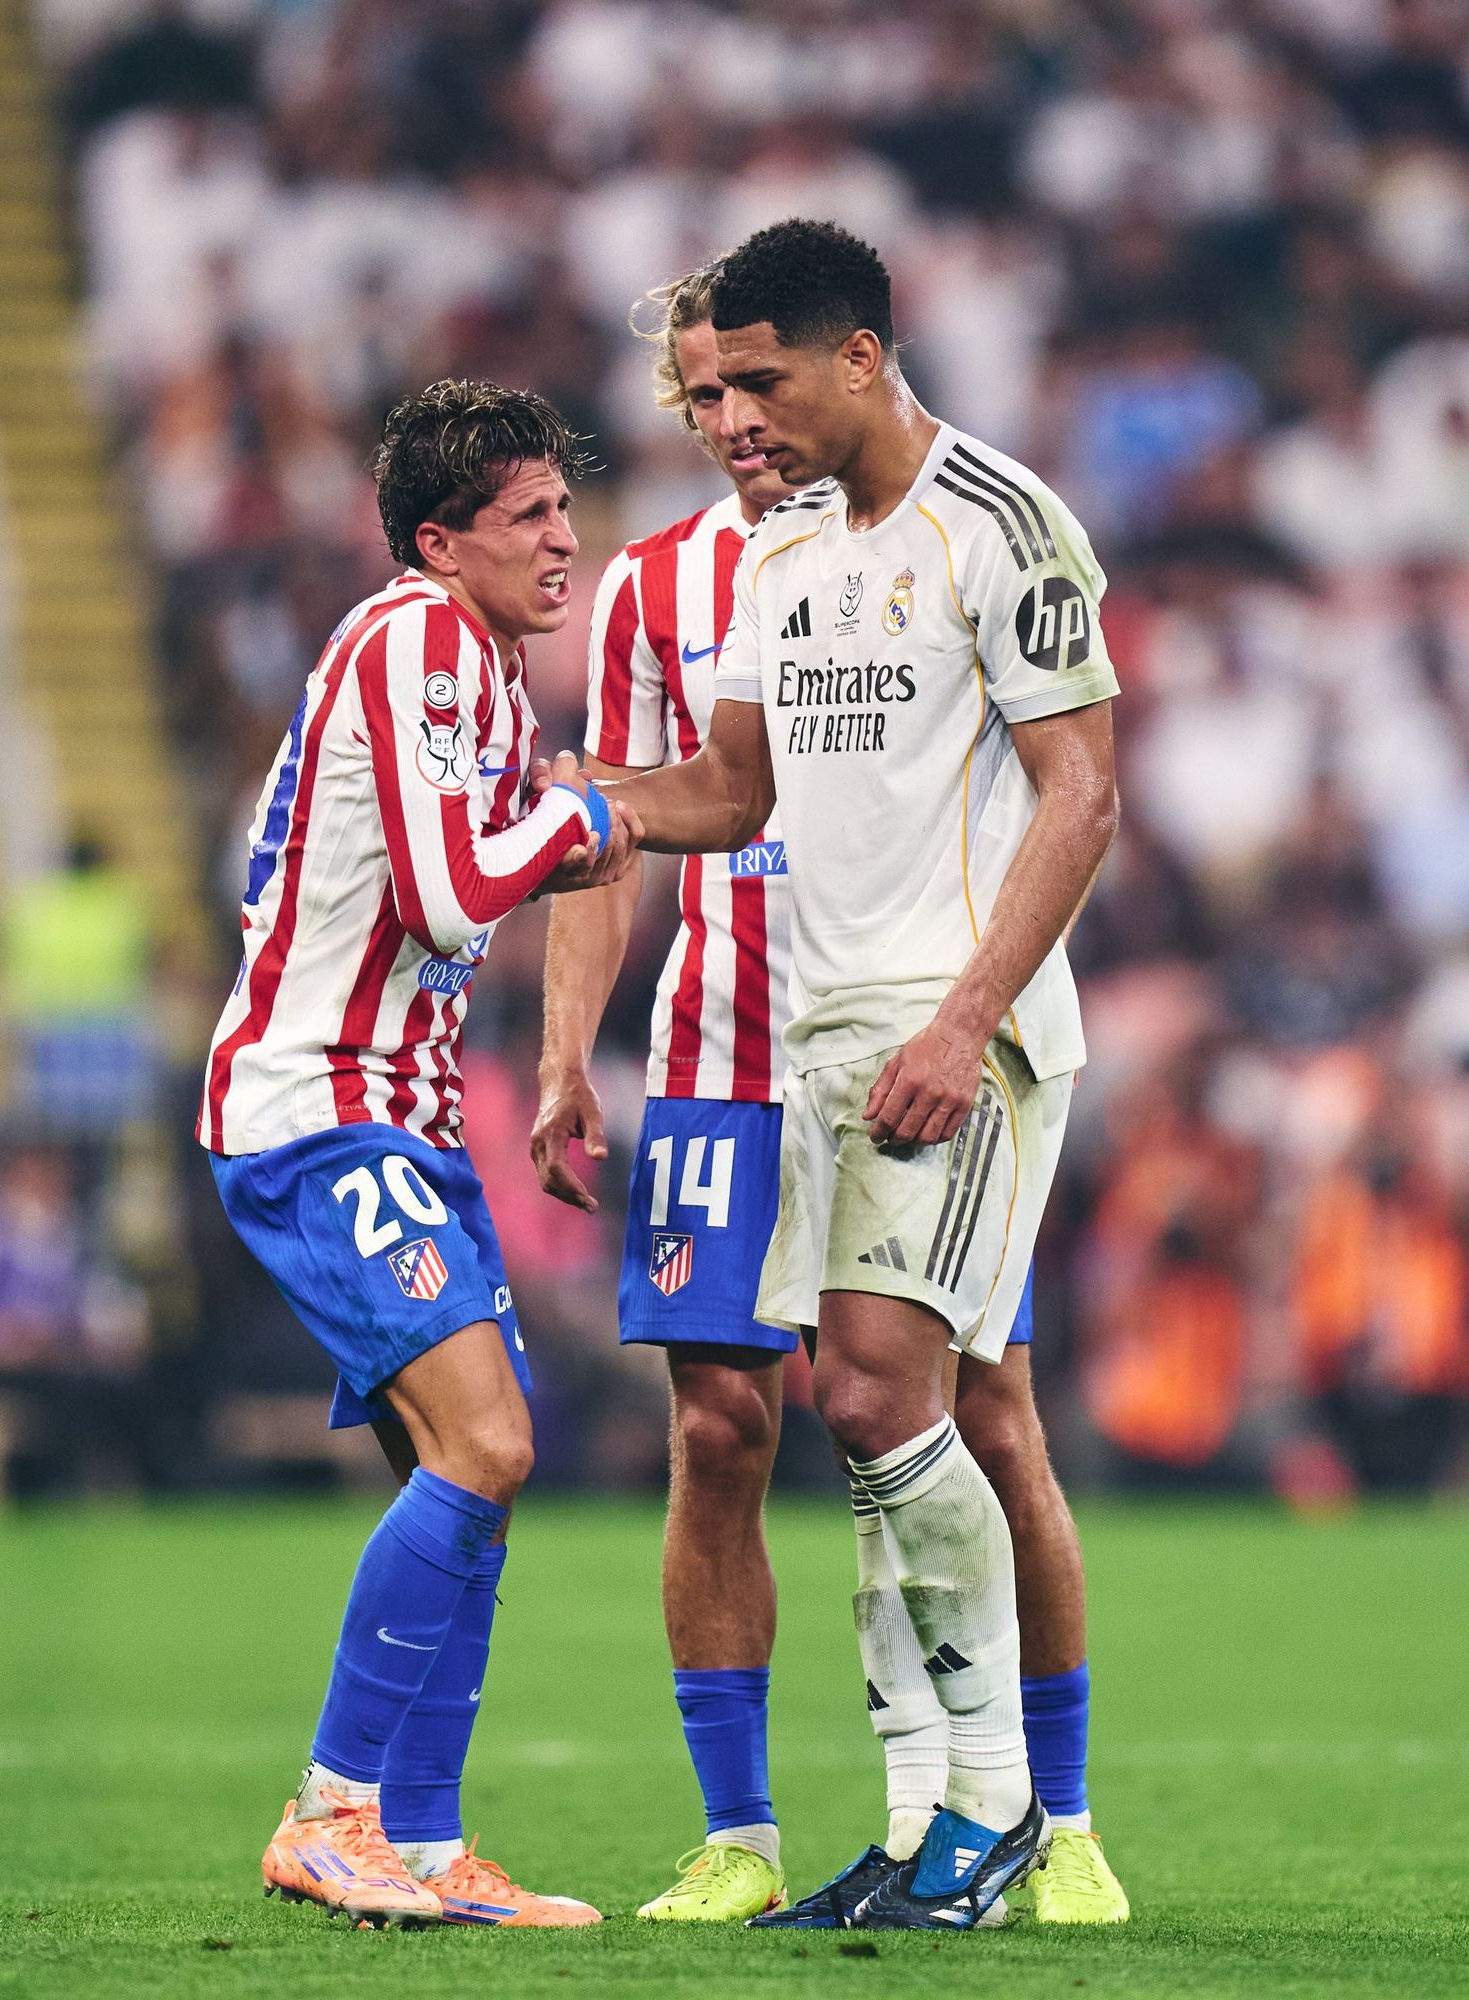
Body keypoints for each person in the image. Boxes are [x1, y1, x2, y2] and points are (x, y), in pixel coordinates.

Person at [535, 259, 1130, 1928]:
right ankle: (920, 1820)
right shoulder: (781, 548)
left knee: (884, 1406)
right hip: (812, 1046)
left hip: (963, 1037)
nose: (731, 422)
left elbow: (1081, 794)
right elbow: (732, 791)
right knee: (866, 1431)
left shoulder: (1004, 522)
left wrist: (965, 1019)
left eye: (760, 387)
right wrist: (576, 810)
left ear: (861, 358)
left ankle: (1010, 1813)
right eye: (709, 396)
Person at [199, 379, 636, 1930]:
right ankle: (330, 1812)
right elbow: (460, 893)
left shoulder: (483, 676)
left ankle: (432, 1846)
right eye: (529, 517)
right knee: (493, 1446)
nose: (564, 541)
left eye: (568, 510)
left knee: (474, 1469)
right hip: (320, 1105)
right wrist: (581, 823)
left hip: (404, 1116)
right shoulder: (418, 639)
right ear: (442, 543)